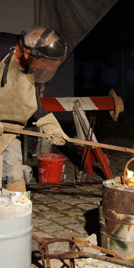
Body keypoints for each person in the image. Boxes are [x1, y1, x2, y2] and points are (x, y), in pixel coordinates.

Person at [0, 26, 69, 193]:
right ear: (28, 53)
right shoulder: (3, 47)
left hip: (8, 130)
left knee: (14, 174)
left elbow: (31, 98)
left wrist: (48, 122)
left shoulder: (31, 64)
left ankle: (16, 213)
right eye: (45, 63)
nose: (46, 68)